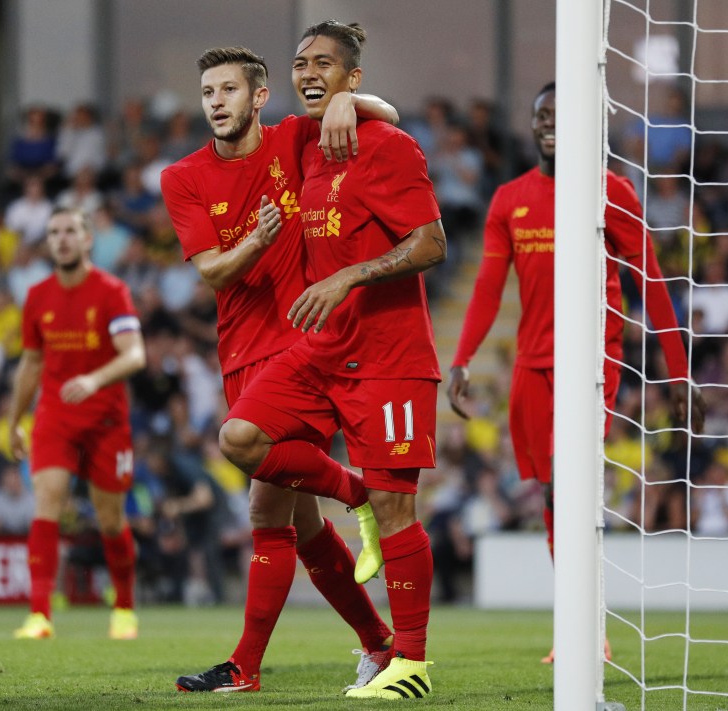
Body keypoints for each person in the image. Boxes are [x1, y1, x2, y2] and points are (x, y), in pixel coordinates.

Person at [218, 22, 446, 700]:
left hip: (389, 355)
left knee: (400, 507)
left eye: (325, 65)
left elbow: (431, 244)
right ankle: (357, 499)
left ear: (352, 76)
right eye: (300, 63)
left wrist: (349, 276)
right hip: (321, 349)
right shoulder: (310, 146)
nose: (309, 72)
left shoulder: (388, 147)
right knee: (241, 436)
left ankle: (409, 661)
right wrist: (351, 101)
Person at [162, 45, 398, 694]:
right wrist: (257, 241)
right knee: (298, 525)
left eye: (229, 89)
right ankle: (379, 641)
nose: (215, 100)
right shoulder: (183, 176)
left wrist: (351, 99)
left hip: (302, 348)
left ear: (259, 98)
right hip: (238, 355)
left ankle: (245, 665)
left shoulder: (294, 138)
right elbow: (210, 269)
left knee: (263, 502)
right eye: (208, 90)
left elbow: (388, 116)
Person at [447, 82, 706, 663]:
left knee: (568, 480)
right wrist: (462, 357)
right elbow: (489, 288)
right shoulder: (509, 199)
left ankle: (586, 627)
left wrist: (679, 369)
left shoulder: (610, 192)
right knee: (551, 492)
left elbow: (652, 283)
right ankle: (580, 622)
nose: (549, 124)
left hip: (593, 359)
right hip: (532, 363)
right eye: (541, 115)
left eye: (561, 115)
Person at [6, 206, 146, 640]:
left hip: (106, 420)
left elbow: (135, 354)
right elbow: (30, 363)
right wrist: (14, 420)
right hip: (55, 416)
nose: (62, 239)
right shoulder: (37, 296)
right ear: (47, 242)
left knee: (110, 521)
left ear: (88, 240)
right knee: (47, 501)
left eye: (70, 231)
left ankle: (123, 606)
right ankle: (39, 615)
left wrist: (94, 379)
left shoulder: (111, 291)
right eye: (54, 233)